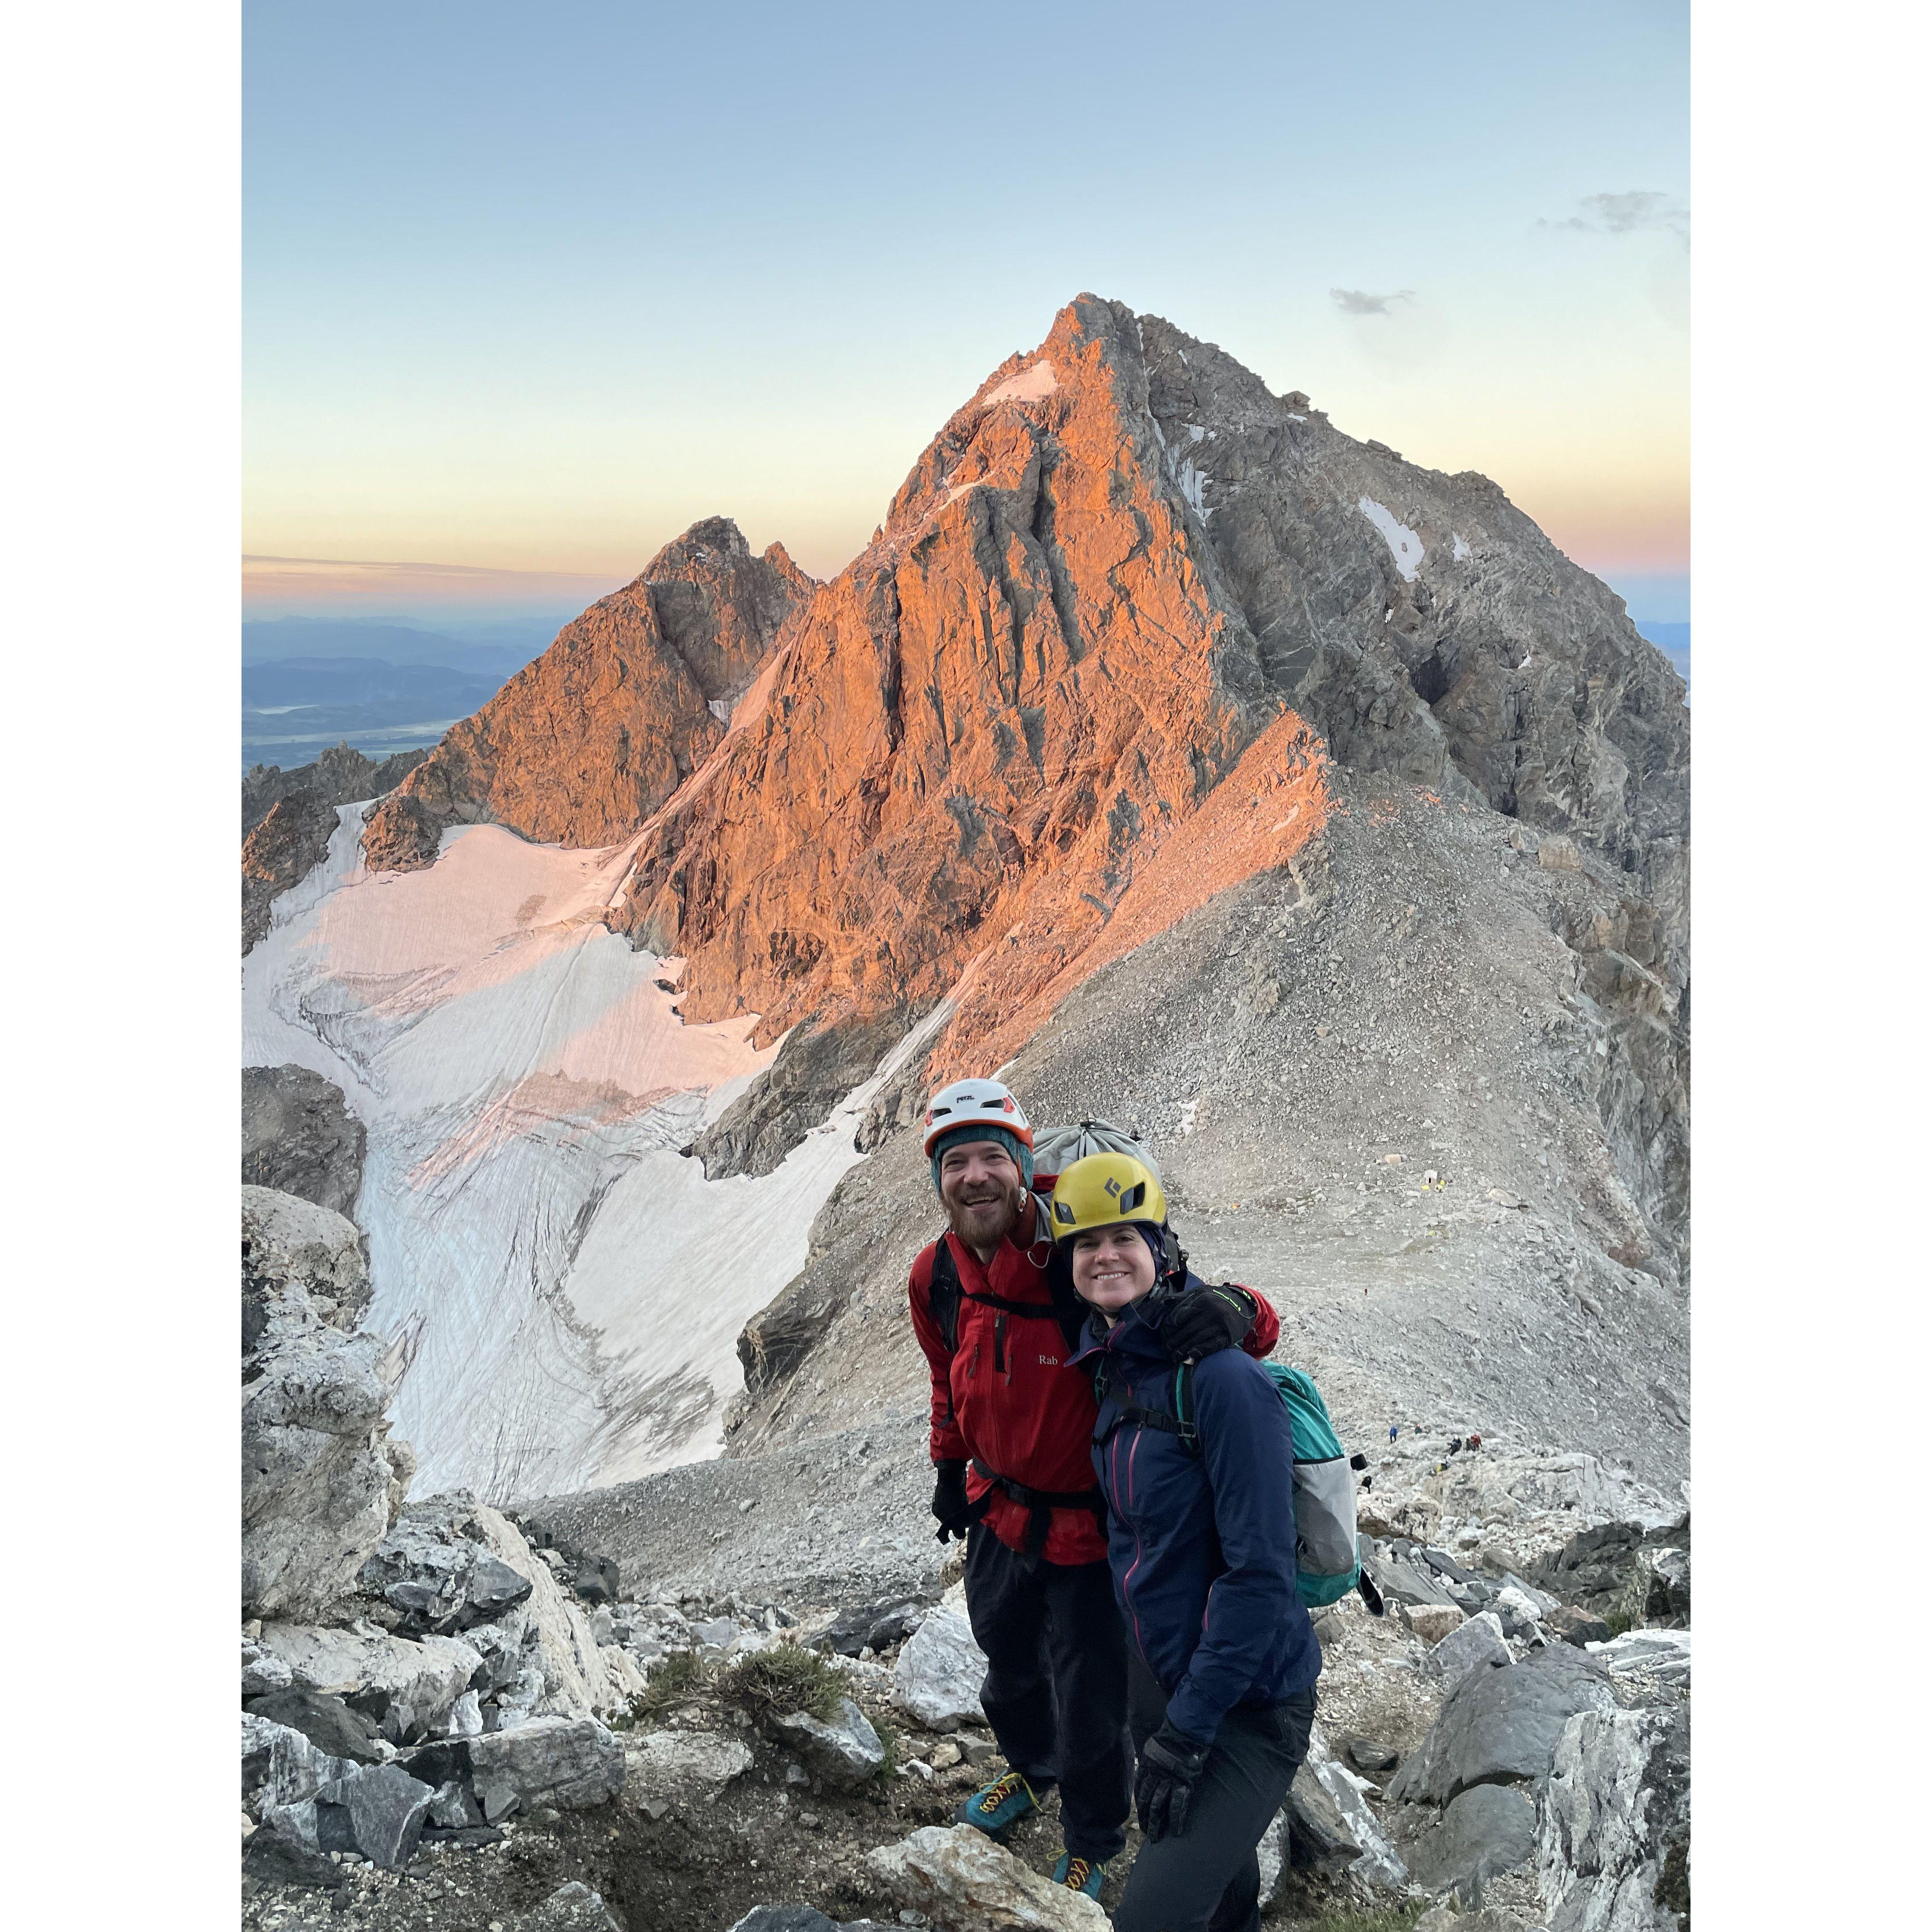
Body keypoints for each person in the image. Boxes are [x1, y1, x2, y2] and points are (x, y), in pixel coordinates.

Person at [908, 1080, 1281, 1900]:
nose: (975, 1177)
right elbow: (946, 1377)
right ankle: (1029, 1766)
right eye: (956, 1163)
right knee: (1006, 1661)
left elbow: (1188, 1304)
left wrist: (1240, 1308)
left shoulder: (1069, 1253)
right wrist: (947, 1469)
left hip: (1086, 1527)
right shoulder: (935, 1275)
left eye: (993, 1157)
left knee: (1092, 1694)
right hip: (996, 1509)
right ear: (938, 1179)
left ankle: (1092, 1836)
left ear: (1023, 1167)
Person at [1056, 1149, 1322, 1932]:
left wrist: (1189, 1730)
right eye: (1086, 1243)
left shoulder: (1223, 1380)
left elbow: (1261, 1576)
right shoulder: (1113, 1366)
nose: (1105, 1256)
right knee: (1219, 1890)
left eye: (1125, 1238)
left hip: (1249, 1703)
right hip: (1164, 1683)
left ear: (1163, 1250)